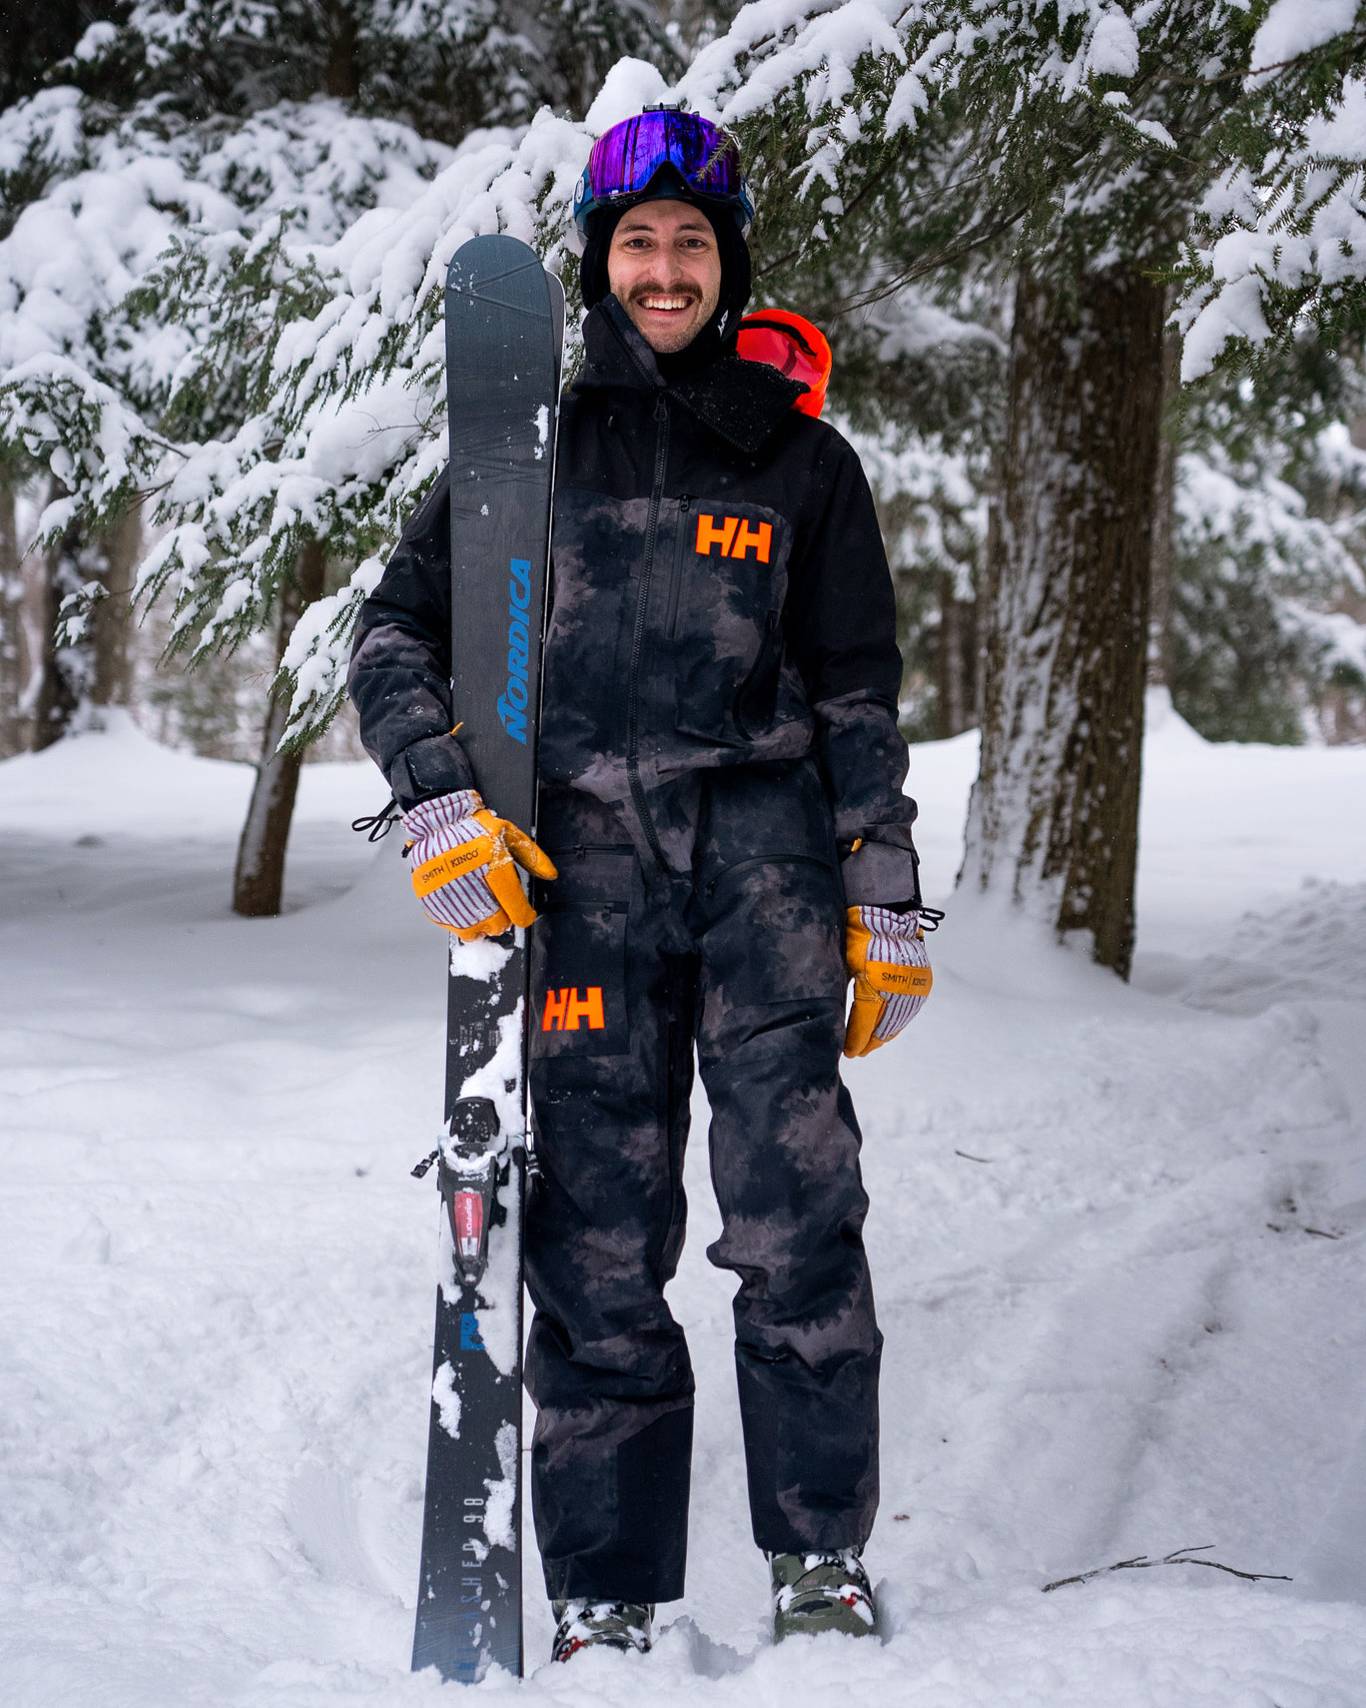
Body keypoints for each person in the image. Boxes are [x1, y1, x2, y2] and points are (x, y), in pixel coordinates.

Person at [348, 106, 933, 1662]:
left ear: (726, 267)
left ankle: (818, 1561)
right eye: (635, 243)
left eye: (688, 243)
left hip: (767, 894)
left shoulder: (807, 464)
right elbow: (394, 638)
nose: (662, 269)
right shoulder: (520, 452)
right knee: (597, 1243)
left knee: (797, 1227)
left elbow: (861, 692)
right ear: (597, 269)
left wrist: (883, 894)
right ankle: (607, 1592)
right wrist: (436, 798)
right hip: (581, 885)